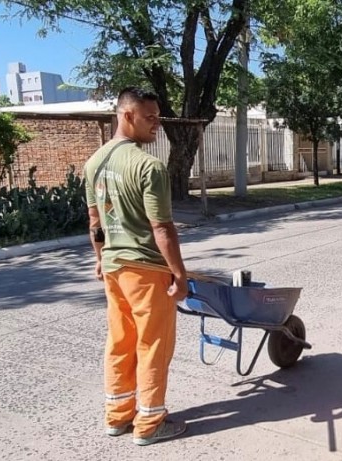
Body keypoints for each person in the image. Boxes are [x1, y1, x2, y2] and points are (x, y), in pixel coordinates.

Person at [84, 87, 189, 446]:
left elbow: (95, 222)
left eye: (158, 117)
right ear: (127, 115)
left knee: (120, 341)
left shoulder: (94, 162)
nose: (157, 124)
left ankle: (117, 416)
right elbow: (162, 228)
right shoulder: (149, 166)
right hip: (146, 269)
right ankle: (150, 423)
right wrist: (180, 273)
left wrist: (100, 260)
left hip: (114, 267)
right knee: (152, 345)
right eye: (150, 117)